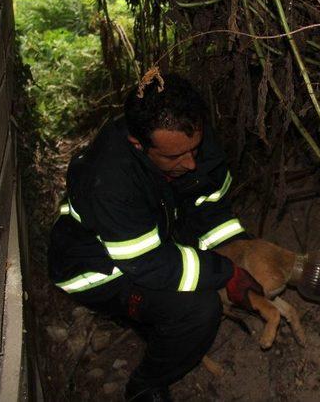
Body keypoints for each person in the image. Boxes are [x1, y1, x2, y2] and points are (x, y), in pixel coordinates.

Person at [48, 73, 262, 401]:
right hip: (96, 267)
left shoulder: (187, 135)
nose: (190, 163)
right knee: (198, 307)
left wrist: (239, 249)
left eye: (194, 148)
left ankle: (153, 321)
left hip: (153, 238)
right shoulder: (108, 177)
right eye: (175, 157)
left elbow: (210, 205)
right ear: (138, 144)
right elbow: (149, 264)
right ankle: (146, 385)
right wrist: (226, 272)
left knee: (199, 271)